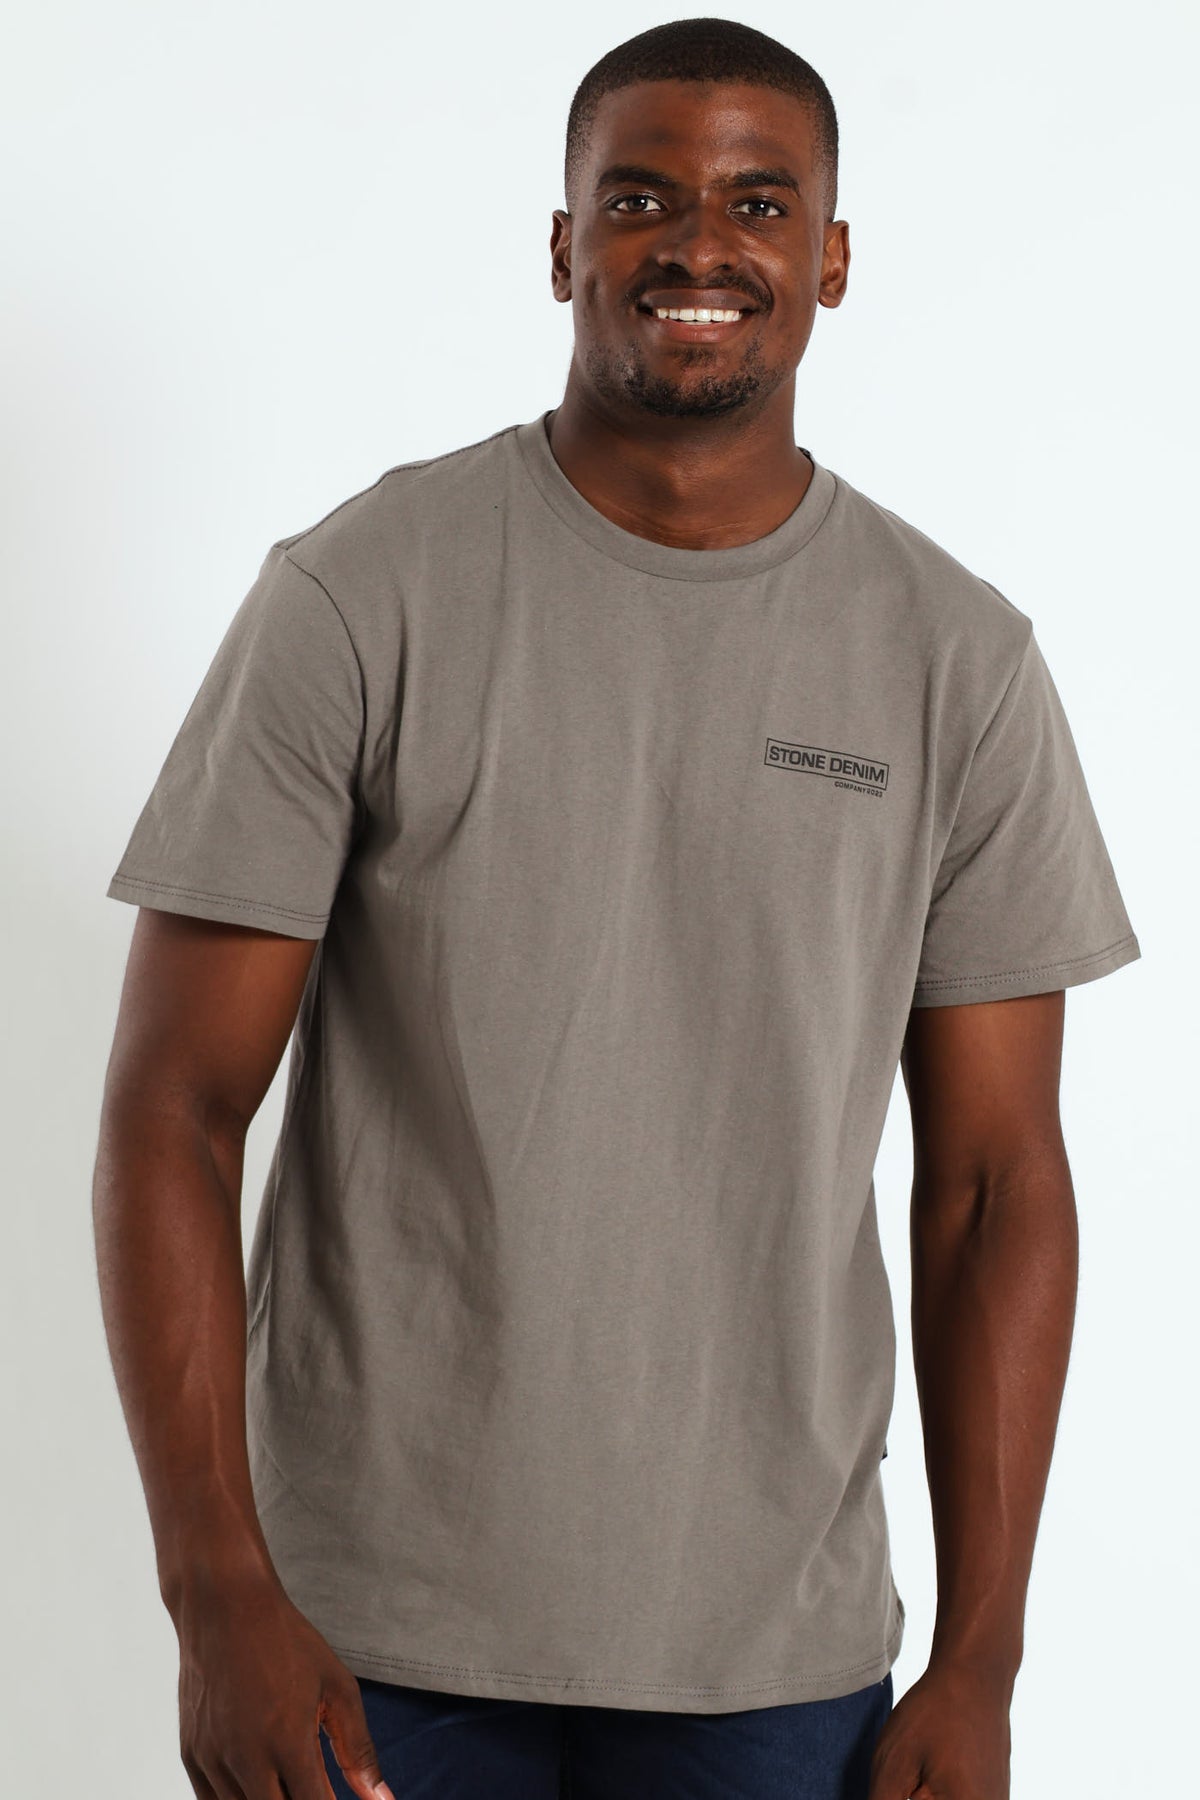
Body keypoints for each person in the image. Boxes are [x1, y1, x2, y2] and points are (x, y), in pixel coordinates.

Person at [93, 17, 1141, 1800]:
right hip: (364, 1637)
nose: (697, 244)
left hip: (777, 1659)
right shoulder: (361, 596)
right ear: (563, 244)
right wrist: (217, 1599)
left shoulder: (957, 660)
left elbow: (993, 1186)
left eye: (759, 202)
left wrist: (982, 1660)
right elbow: (173, 1109)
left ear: (832, 259)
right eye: (640, 197)